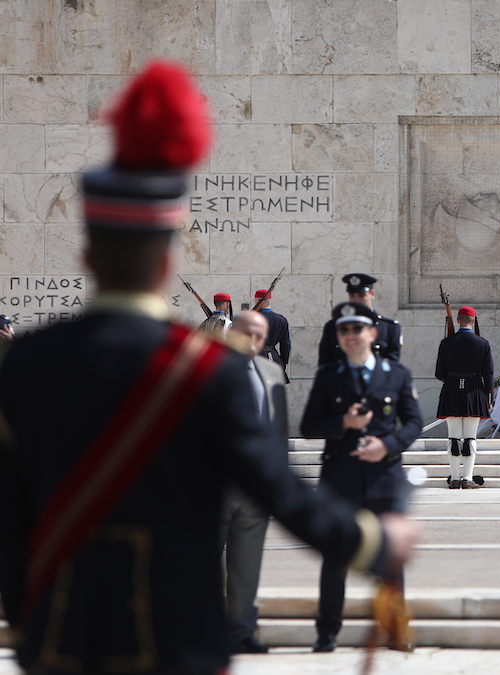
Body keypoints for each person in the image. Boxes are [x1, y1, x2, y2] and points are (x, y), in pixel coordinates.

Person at [0, 60, 420, 675]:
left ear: (88, 252)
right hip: (178, 644)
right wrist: (375, 541)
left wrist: (30, 616)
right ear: (169, 259)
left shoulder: (26, 365)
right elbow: (279, 492)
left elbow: (10, 519)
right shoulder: (206, 372)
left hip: (61, 643)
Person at [301, 301, 423, 652]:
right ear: (338, 337)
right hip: (340, 481)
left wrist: (387, 445)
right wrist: (344, 423)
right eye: (344, 330)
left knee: (390, 561)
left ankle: (396, 630)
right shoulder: (329, 376)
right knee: (335, 559)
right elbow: (309, 426)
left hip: (384, 478)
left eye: (357, 329)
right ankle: (327, 633)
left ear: (372, 333)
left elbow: (413, 422)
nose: (351, 335)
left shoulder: (396, 374)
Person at [220, 311, 287, 654]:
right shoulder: (205, 371)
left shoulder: (272, 373)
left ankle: (242, 632)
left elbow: (278, 432)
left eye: (260, 336)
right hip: (213, 486)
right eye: (246, 333)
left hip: (255, 488)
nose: (253, 341)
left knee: (246, 565)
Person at [435, 305, 494, 489]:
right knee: (470, 437)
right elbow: (489, 373)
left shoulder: (446, 343)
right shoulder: (482, 343)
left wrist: (454, 380)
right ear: (474, 320)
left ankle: (454, 478)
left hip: (452, 389)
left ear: (458, 320)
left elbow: (439, 373)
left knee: (453, 437)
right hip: (474, 390)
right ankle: (467, 478)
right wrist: (489, 396)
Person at [317, 273, 402, 366]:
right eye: (352, 295)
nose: (357, 300)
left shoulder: (389, 328)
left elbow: (392, 366)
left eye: (362, 295)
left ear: (372, 294)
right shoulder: (333, 327)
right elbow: (325, 364)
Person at [254, 289, 291, 379]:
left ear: (258, 301)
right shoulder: (281, 320)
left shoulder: (252, 319)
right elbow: (286, 345)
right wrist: (283, 362)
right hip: (273, 357)